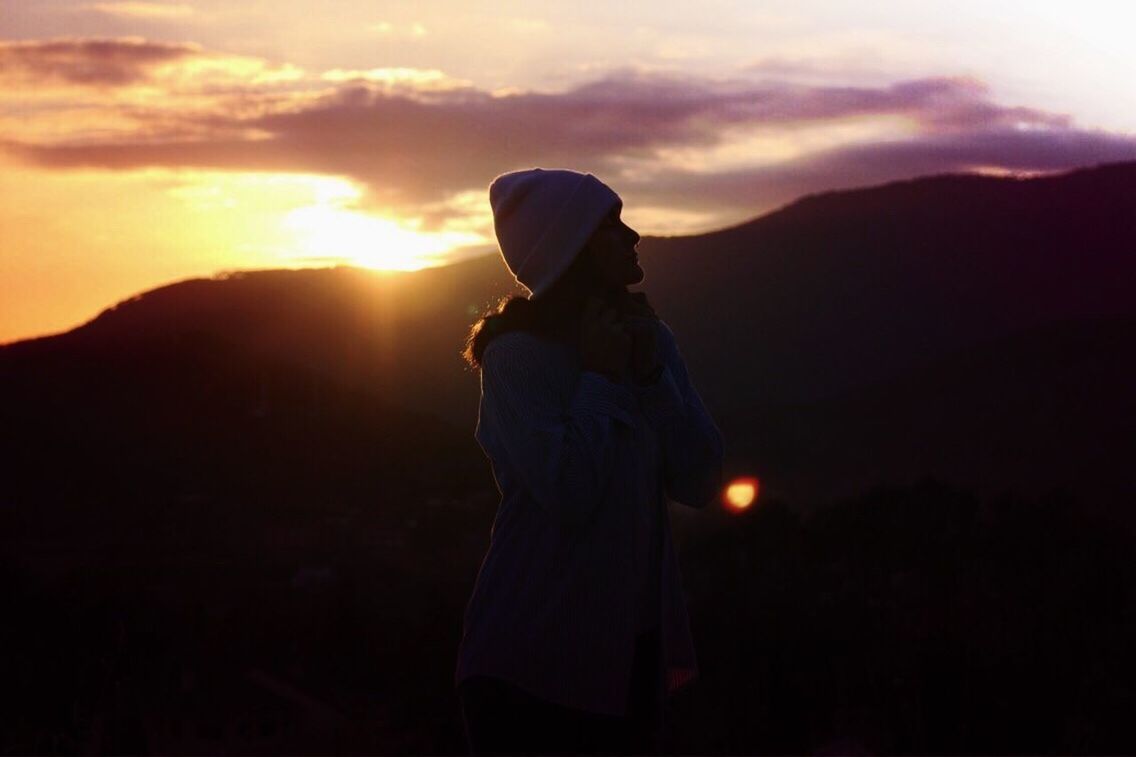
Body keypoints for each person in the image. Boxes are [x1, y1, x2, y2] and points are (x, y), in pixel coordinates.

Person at [454, 168, 724, 755]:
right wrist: (600, 379)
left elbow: (701, 479)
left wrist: (651, 376)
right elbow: (571, 491)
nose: (633, 237)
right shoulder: (516, 360)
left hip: (631, 654)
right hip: (530, 667)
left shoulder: (651, 340)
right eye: (611, 226)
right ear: (571, 247)